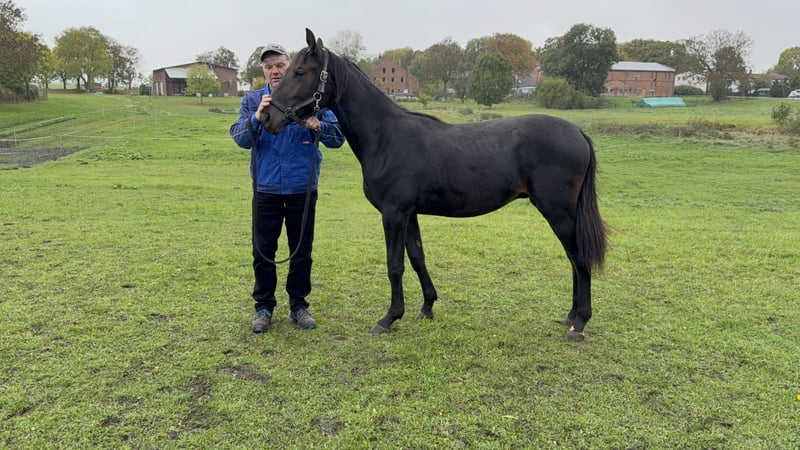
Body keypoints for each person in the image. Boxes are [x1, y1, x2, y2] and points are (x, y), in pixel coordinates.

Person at [230, 43, 345, 333]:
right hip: (266, 187)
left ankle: (298, 305)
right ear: (263, 71)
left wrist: (317, 126)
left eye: (280, 64)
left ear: (289, 66)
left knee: (301, 251)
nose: (274, 71)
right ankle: (263, 307)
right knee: (263, 251)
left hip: (301, 188)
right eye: (268, 66)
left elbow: (337, 138)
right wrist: (256, 117)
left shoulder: (310, 98)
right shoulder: (253, 100)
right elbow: (240, 138)